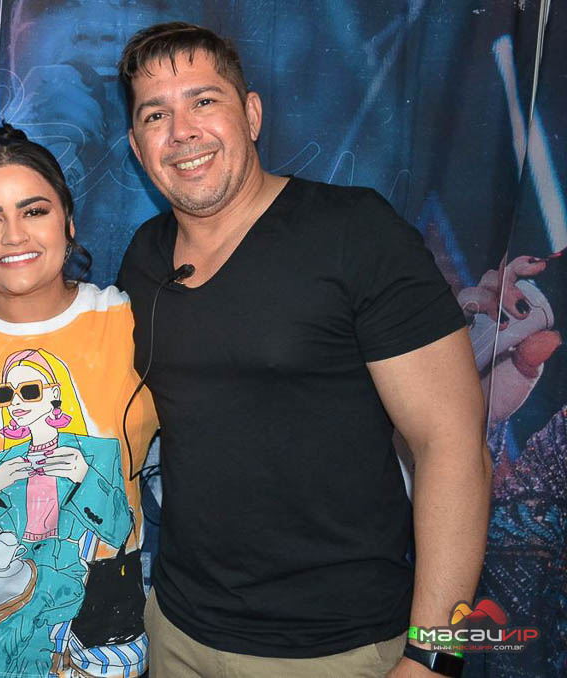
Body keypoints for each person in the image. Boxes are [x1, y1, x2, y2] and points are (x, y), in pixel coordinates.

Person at [114, 22, 491, 677]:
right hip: (175, 632)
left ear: (252, 114)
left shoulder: (355, 233)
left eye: (204, 101)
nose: (182, 131)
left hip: (336, 649)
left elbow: (453, 445)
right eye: (156, 114)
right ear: (136, 146)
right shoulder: (143, 257)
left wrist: (433, 656)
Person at [0, 124, 158, 678]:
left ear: (68, 222)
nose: (13, 235)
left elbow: (119, 525)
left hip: (92, 648)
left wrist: (85, 480)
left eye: (34, 211)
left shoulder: (129, 324)